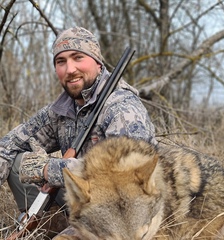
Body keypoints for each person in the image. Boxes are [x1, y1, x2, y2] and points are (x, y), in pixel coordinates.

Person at [0, 26, 157, 237]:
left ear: (97, 61)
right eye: (61, 61)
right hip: (79, 201)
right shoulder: (62, 109)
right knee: (18, 163)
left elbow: (123, 181)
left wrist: (49, 169)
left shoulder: (123, 108)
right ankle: (43, 222)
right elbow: (8, 145)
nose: (70, 69)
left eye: (78, 57)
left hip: (119, 214)